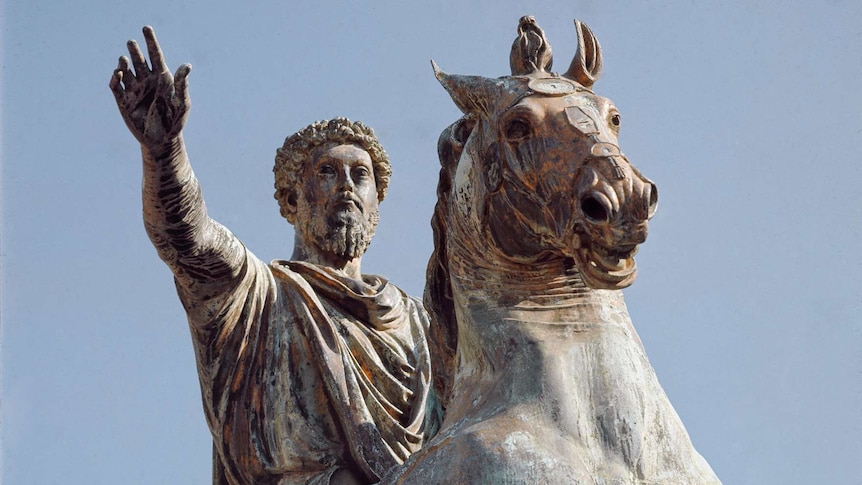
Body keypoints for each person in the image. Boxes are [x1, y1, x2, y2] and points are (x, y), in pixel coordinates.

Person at [109, 26, 439, 485]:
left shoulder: (422, 324)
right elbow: (188, 240)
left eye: (360, 176)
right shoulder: (257, 295)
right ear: (291, 198)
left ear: (376, 205)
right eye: (327, 172)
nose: (346, 185)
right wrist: (163, 151)